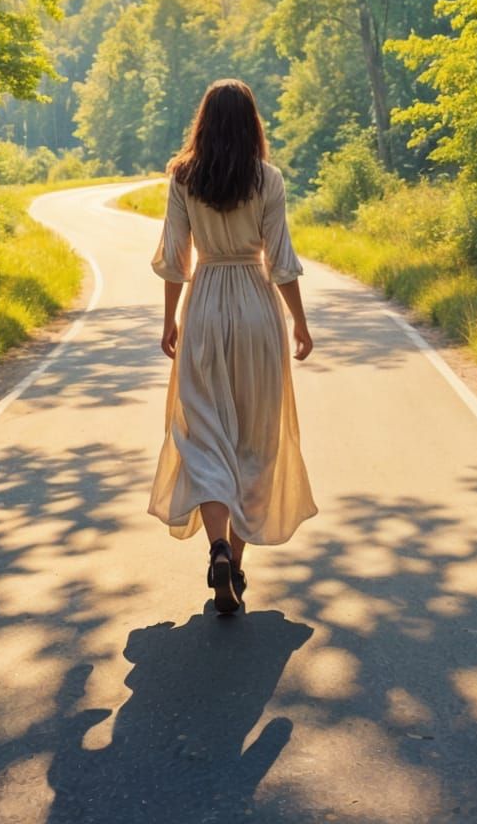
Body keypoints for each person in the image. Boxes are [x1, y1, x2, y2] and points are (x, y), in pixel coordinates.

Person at [147, 78, 316, 615]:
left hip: (204, 305)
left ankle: (217, 545)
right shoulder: (266, 178)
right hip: (255, 308)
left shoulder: (182, 178)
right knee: (254, 438)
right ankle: (235, 566)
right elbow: (281, 260)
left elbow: (176, 258)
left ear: (203, 122)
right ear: (252, 125)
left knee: (204, 433)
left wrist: (170, 319)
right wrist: (299, 323)